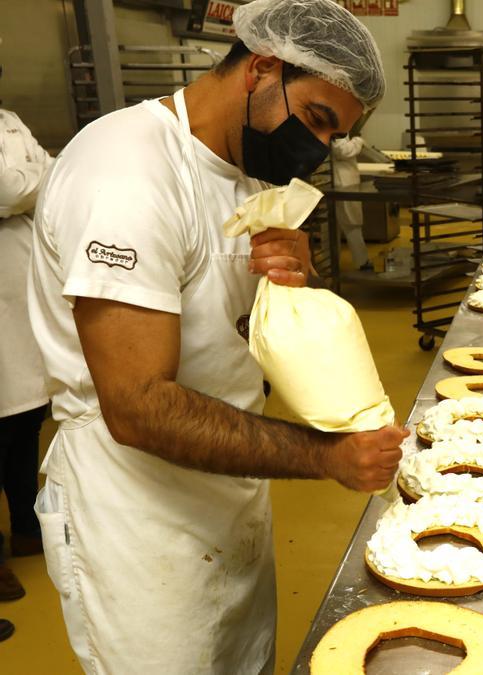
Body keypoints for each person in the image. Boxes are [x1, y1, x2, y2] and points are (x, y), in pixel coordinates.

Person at [26, 0, 406, 671]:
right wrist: (325, 455)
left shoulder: (248, 168)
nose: (316, 148)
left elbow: (229, 331)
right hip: (136, 518)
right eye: (316, 118)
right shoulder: (127, 173)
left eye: (333, 134)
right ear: (261, 68)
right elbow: (138, 405)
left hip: (227, 487)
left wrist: (288, 289)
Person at [0, 98, 53, 644]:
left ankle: (25, 525)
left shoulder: (11, 118)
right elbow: (13, 188)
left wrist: (28, 184)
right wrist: (29, 183)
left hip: (20, 279)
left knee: (26, 418)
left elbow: (49, 177)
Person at [330, 134, 373, 272]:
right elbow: (342, 151)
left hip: (342, 181)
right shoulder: (338, 129)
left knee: (339, 225)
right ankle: (362, 262)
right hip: (343, 183)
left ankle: (334, 263)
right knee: (352, 224)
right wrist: (358, 141)